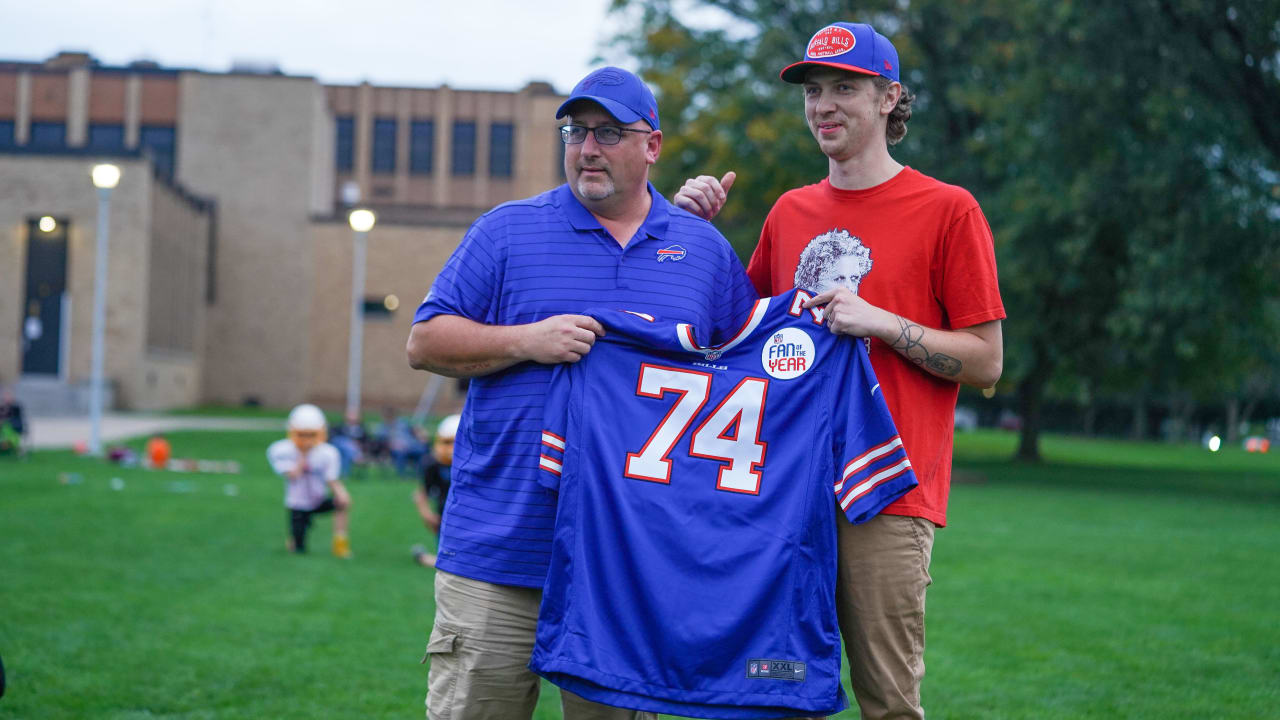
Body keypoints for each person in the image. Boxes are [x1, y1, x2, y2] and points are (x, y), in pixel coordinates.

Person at [674, 22, 1005, 720]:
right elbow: (732, 339)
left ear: (888, 98)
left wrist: (880, 321)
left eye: (845, 89)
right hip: (783, 491)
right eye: (814, 90)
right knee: (770, 688)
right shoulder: (790, 210)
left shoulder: (949, 209)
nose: (824, 104)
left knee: (886, 700)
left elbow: (986, 361)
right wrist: (687, 233)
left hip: (887, 492)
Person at [405, 66, 758, 720]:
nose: (587, 148)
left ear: (651, 145)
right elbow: (425, 342)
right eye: (576, 132)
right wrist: (523, 341)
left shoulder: (703, 253)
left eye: (608, 132)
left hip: (627, 566)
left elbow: (746, 375)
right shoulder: (507, 231)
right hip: (498, 550)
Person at [266, 403, 353, 558]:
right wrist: (304, 455)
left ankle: (340, 543)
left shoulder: (328, 453)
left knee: (342, 503)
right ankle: (297, 536)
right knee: (298, 549)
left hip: (317, 499)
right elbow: (293, 475)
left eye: (311, 435)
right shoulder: (281, 450)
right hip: (297, 504)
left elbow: (331, 479)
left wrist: (342, 493)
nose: (307, 439)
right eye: (302, 435)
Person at [410, 413, 459, 569]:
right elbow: (422, 492)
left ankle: (424, 558)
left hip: (467, 517)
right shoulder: (432, 463)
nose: (450, 448)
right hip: (444, 516)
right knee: (449, 559)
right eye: (447, 442)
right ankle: (427, 558)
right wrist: (426, 514)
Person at [0, 387, 26, 457]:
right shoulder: (2, 407)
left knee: (7, 429)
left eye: (8, 396)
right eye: (5, 396)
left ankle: (8, 444)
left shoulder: (16, 406)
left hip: (15, 427)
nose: (7, 398)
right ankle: (16, 448)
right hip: (3, 429)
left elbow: (15, 418)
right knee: (5, 429)